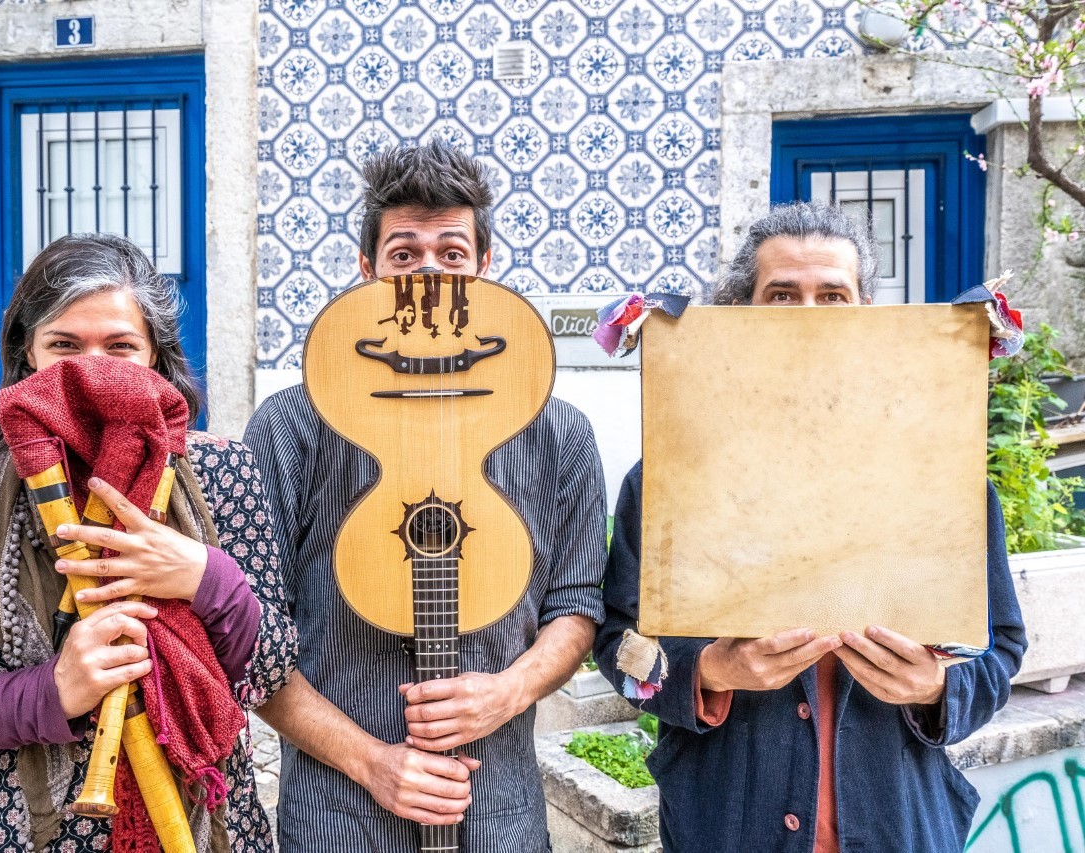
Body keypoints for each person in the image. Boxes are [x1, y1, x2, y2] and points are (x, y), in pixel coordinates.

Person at [593, 202, 1026, 853]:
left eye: (833, 295)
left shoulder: (939, 481)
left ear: (864, 314)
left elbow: (1001, 650)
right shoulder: (668, 480)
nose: (808, 316)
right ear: (740, 313)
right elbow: (619, 645)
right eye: (782, 295)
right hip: (727, 828)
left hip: (900, 827)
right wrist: (709, 670)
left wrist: (938, 687)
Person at [0, 233, 298, 852]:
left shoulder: (223, 475)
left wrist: (206, 578)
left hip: (204, 825)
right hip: (8, 831)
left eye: (121, 347)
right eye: (64, 346)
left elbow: (271, 670)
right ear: (26, 354)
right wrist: (51, 692)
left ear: (156, 358)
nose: (93, 373)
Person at [244, 140, 608, 851]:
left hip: (499, 811)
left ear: (484, 268)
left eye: (451, 253)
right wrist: (372, 761)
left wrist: (510, 689)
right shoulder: (289, 427)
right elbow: (249, 638)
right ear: (367, 270)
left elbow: (576, 604)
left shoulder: (559, 431)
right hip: (336, 815)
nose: (430, 276)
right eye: (405, 255)